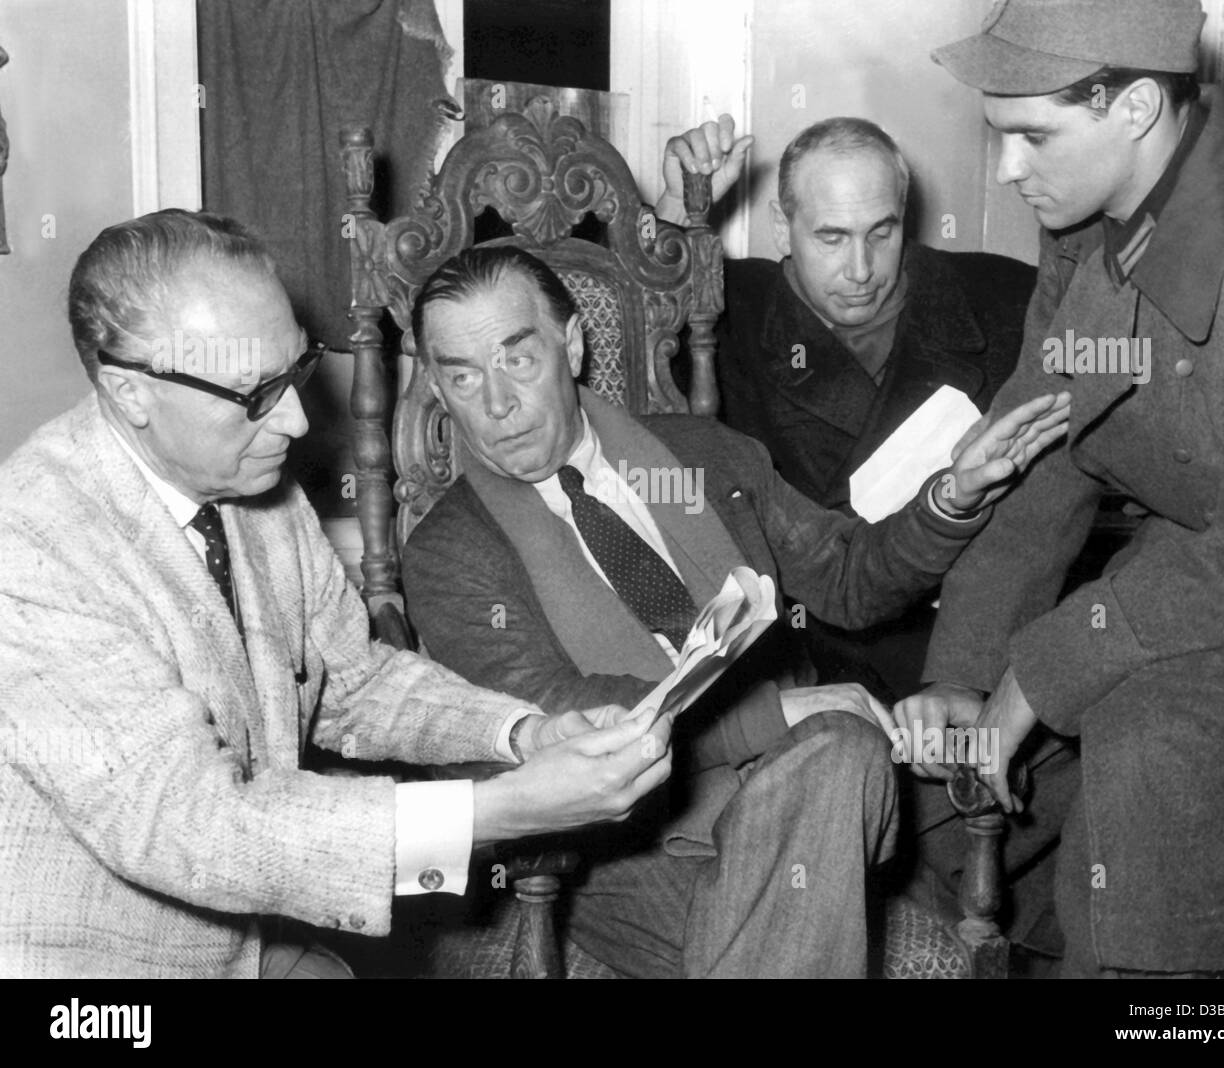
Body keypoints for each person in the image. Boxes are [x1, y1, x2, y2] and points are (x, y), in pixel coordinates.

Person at [0, 209, 678, 979]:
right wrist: (501, 809)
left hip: (254, 936)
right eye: (254, 392)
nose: (293, 419)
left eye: (294, 370)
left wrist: (519, 734)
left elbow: (355, 682)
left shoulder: (254, 492)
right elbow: (195, 826)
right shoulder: (31, 544)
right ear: (130, 393)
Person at [400, 243, 1069, 978]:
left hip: (813, 786)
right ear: (435, 383)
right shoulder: (450, 551)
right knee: (841, 751)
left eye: (517, 360)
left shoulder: (701, 457)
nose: (495, 405)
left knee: (877, 754)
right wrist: (776, 716)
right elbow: (563, 714)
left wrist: (952, 495)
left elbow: (849, 577)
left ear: (572, 343)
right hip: (631, 844)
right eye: (462, 377)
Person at [898, 0, 1224, 977]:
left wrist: (1041, 669)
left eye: (1032, 135)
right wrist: (968, 672)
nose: (1007, 171)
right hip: (1219, 563)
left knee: (1152, 725)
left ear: (1129, 108)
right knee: (928, 800)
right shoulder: (1090, 229)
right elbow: (1037, 458)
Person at [658, 116, 1038, 703]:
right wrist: (676, 213)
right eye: (831, 238)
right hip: (808, 672)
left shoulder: (1006, 303)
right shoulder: (723, 318)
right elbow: (623, 342)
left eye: (881, 233)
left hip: (980, 658)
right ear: (782, 229)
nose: (861, 271)